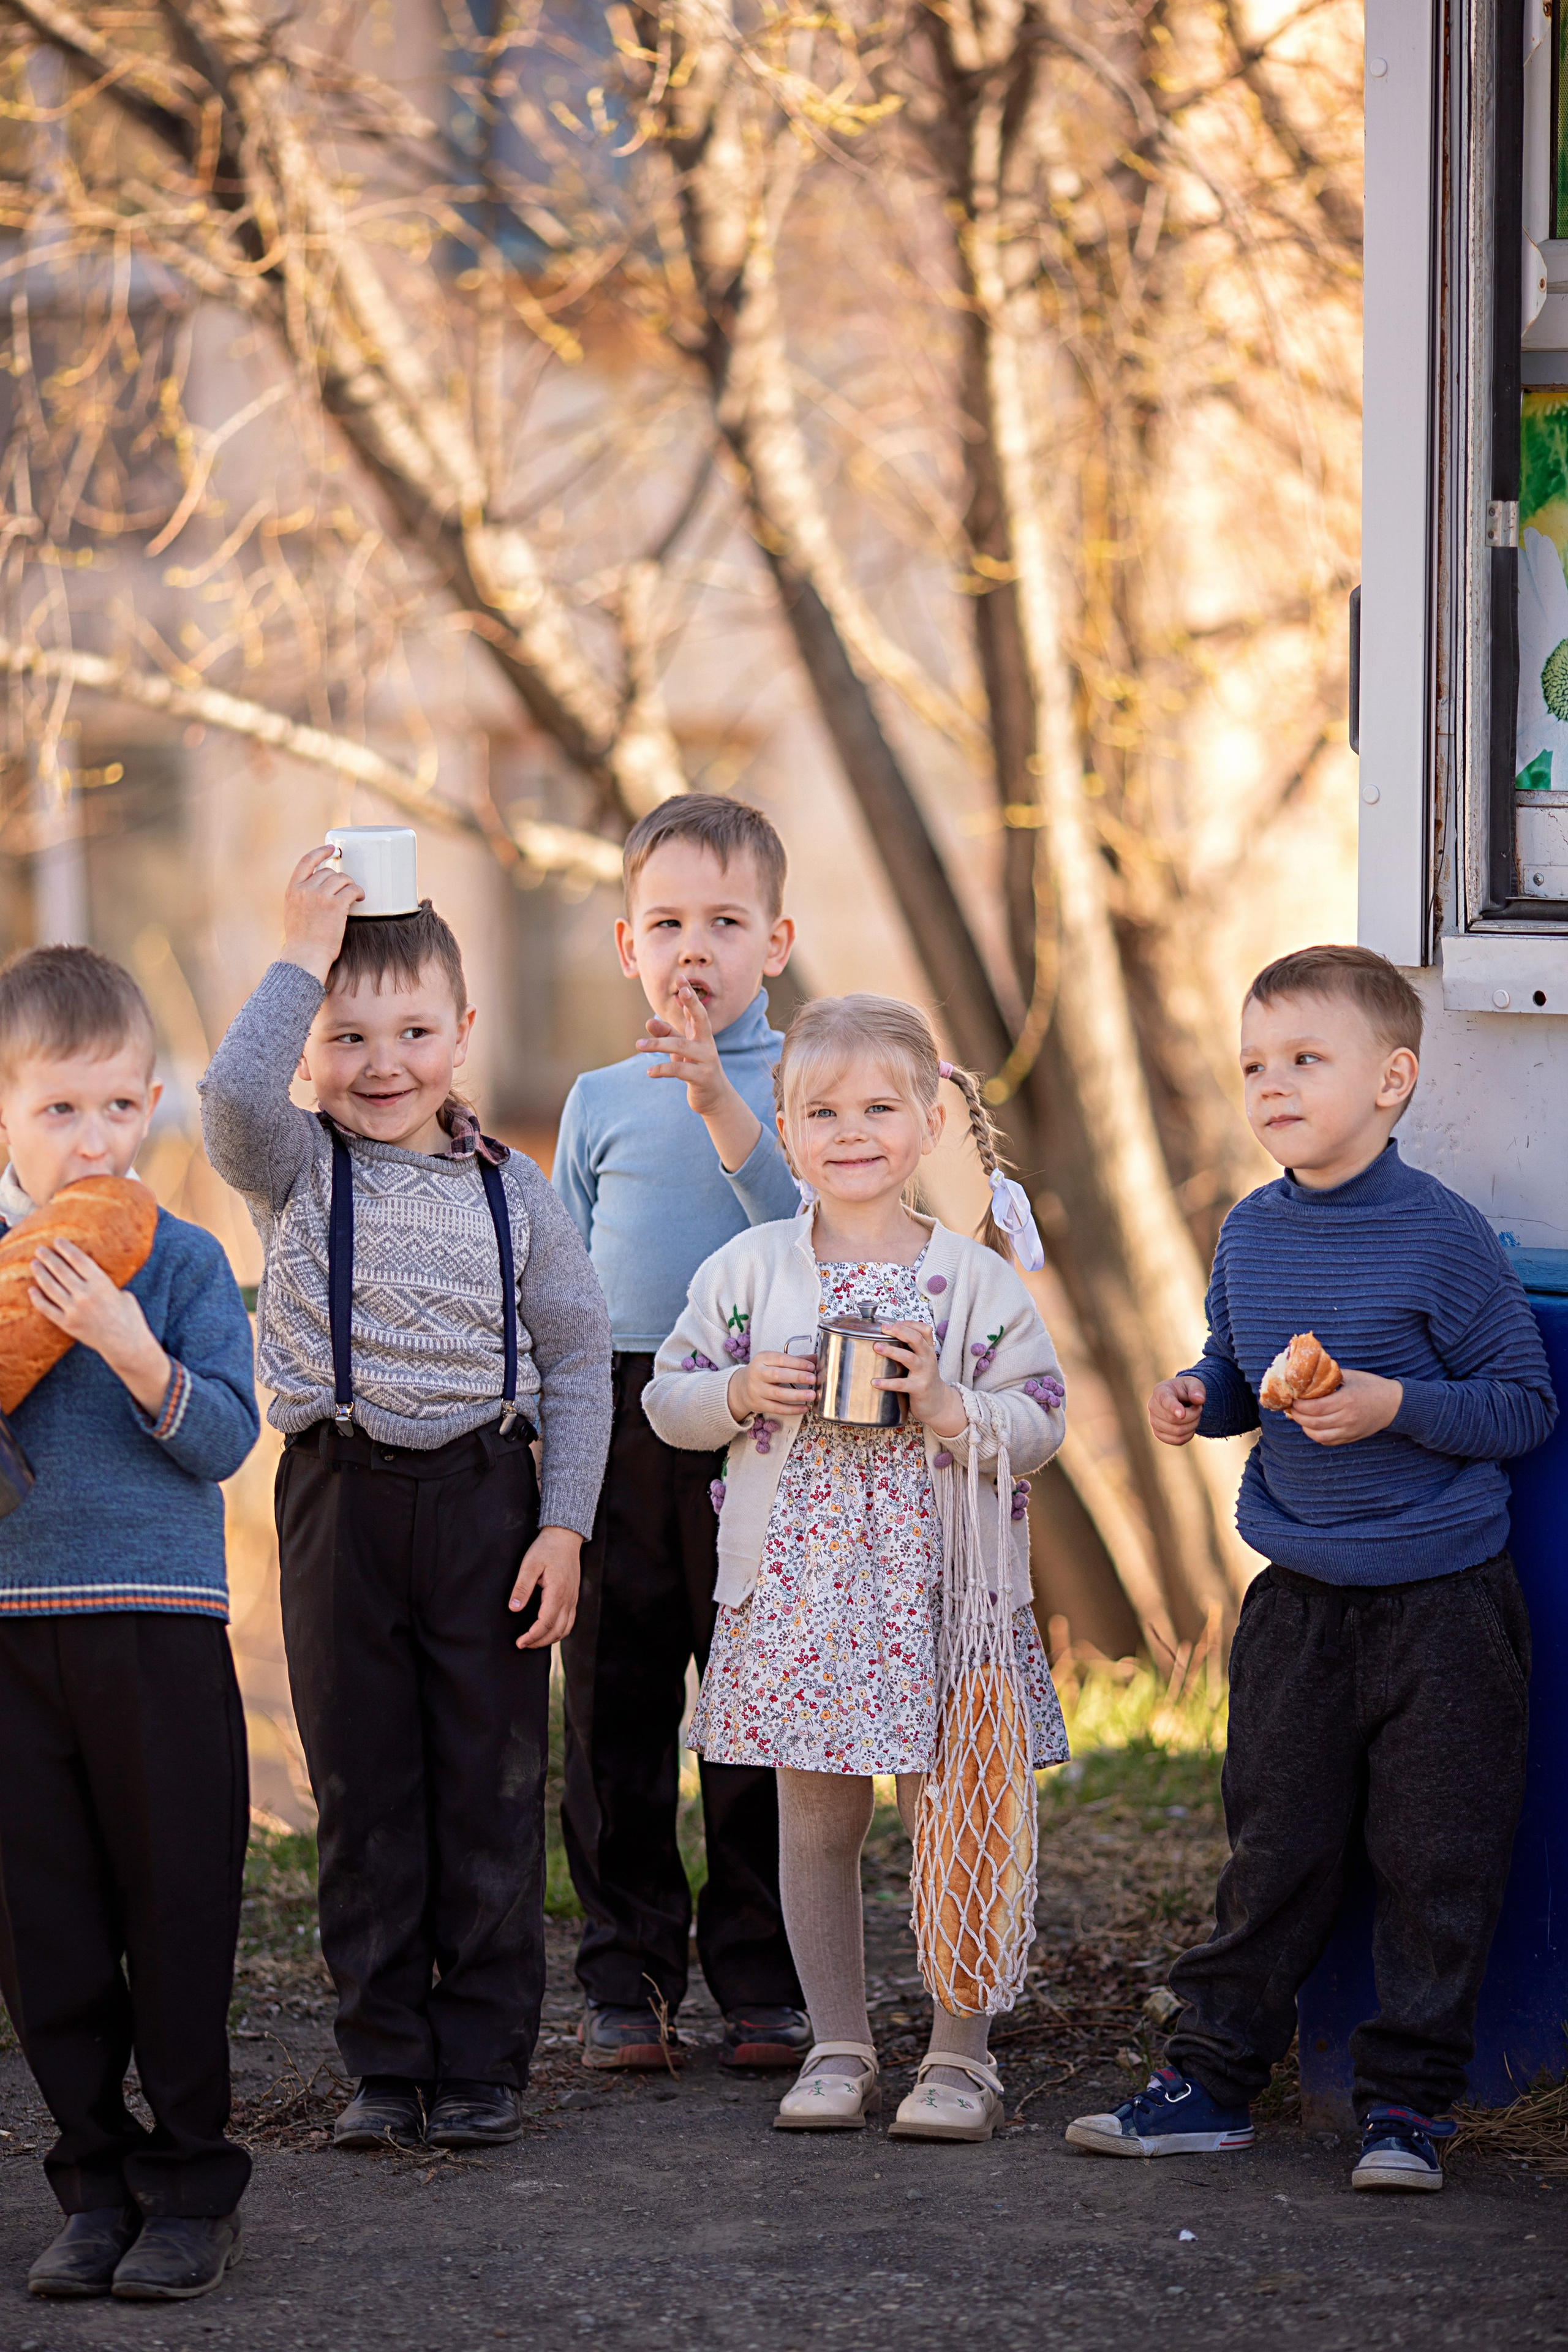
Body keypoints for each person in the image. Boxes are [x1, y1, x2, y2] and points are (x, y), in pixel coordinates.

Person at [1066, 944, 1558, 2194]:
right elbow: (1237, 1369)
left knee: (1433, 1863)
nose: (1270, 1085)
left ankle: (1407, 2108)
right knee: (1270, 1848)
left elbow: (1519, 1406)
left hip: (1442, 1604)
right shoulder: (1250, 1230)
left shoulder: (1440, 1235)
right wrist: (1198, 1395)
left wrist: (1391, 1402)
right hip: (1295, 1605)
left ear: (1390, 1080)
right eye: (1251, 1065)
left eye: (1303, 1060)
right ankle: (1211, 2080)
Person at [201, 850, 611, 2153]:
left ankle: (483, 2058)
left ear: (464, 1032)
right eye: (347, 1036)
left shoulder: (515, 1192)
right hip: (340, 1501)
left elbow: (578, 1363)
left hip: (490, 1500)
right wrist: (295, 956)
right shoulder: (295, 1169)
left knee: (489, 1784)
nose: (384, 1063)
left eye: (415, 1033)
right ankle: (385, 2059)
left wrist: (565, 1524)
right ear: (310, 1047)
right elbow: (221, 1096)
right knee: (366, 1787)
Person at [643, 993, 1069, 2140]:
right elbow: (667, 1398)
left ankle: (960, 2053)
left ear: (931, 1120)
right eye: (820, 1110)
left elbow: (1040, 1420)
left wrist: (945, 1405)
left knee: (958, 1814)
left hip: (948, 1600)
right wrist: (737, 1392)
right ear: (782, 1130)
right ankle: (837, 2043)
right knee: (817, 1824)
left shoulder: (974, 1282)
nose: (851, 1130)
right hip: (805, 1600)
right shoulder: (748, 1270)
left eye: (880, 1106)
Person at [0, 946, 259, 2304]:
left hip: (156, 1628)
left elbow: (223, 1437)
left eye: (116, 1108)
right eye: (57, 1112)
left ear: (154, 1104)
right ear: (4, 1117)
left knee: (174, 1913)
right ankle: (91, 2186)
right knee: (45, 1926)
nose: (92, 1138)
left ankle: (191, 2186)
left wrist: (128, 1346)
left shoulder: (186, 1263)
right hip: (15, 1637)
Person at [552, 795, 810, 2071]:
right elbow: (556, 1277)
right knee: (615, 1702)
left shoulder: (809, 1081)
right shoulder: (596, 1097)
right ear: (624, 945)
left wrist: (721, 1101)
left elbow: (810, 1227)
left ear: (776, 940)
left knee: (755, 1702)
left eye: (724, 920)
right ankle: (627, 1977)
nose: (692, 947)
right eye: (666, 922)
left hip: (766, 1415)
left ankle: (762, 1972)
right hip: (618, 1411)